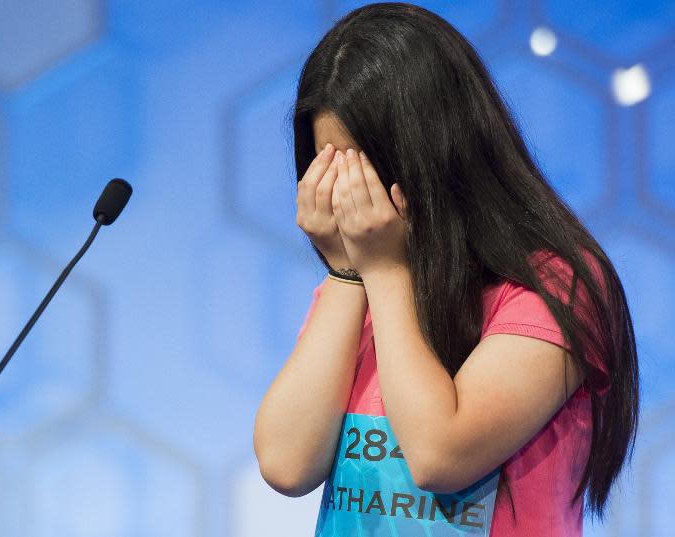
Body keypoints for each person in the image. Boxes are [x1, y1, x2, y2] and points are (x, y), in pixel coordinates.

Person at [252, 3, 639, 536]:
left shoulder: (554, 286)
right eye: (329, 166)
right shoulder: (358, 284)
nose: (346, 192)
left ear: (433, 153)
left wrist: (386, 274)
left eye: (361, 166)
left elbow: (441, 454)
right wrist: (347, 275)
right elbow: (286, 464)